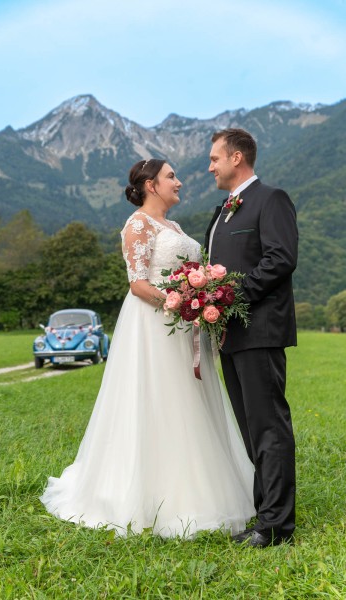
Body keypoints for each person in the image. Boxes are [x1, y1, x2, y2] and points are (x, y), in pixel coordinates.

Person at [40, 158, 255, 538]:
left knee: (190, 400)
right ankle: (156, 495)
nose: (180, 182)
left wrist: (200, 299)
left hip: (185, 325)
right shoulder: (137, 224)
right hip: (155, 325)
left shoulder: (172, 226)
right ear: (151, 185)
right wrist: (181, 306)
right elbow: (138, 284)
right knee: (158, 400)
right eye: (172, 176)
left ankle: (200, 483)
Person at [205, 128, 298, 548]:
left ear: (237, 157)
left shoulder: (270, 199)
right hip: (229, 335)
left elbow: (281, 258)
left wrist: (231, 296)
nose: (210, 166)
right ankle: (265, 513)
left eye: (215, 158)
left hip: (260, 330)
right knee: (250, 430)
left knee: (268, 428)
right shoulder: (221, 211)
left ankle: (277, 527)